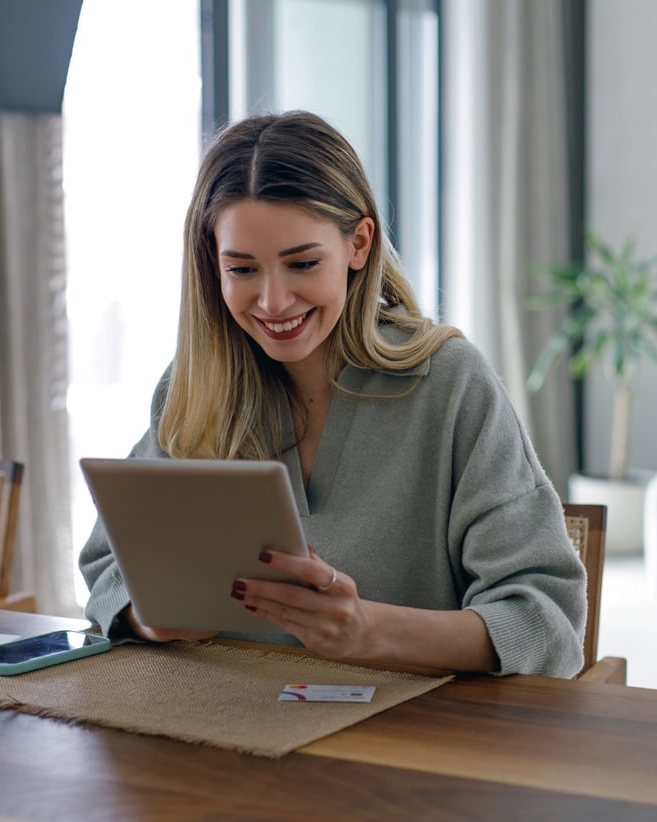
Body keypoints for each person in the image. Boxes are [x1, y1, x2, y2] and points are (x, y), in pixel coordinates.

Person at [79, 110, 586, 676]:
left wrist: (368, 631)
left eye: (302, 263)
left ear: (359, 244)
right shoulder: (196, 389)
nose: (272, 302)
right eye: (242, 269)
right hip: (228, 732)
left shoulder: (450, 383)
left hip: (409, 741)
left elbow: (546, 620)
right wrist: (151, 619)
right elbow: (106, 565)